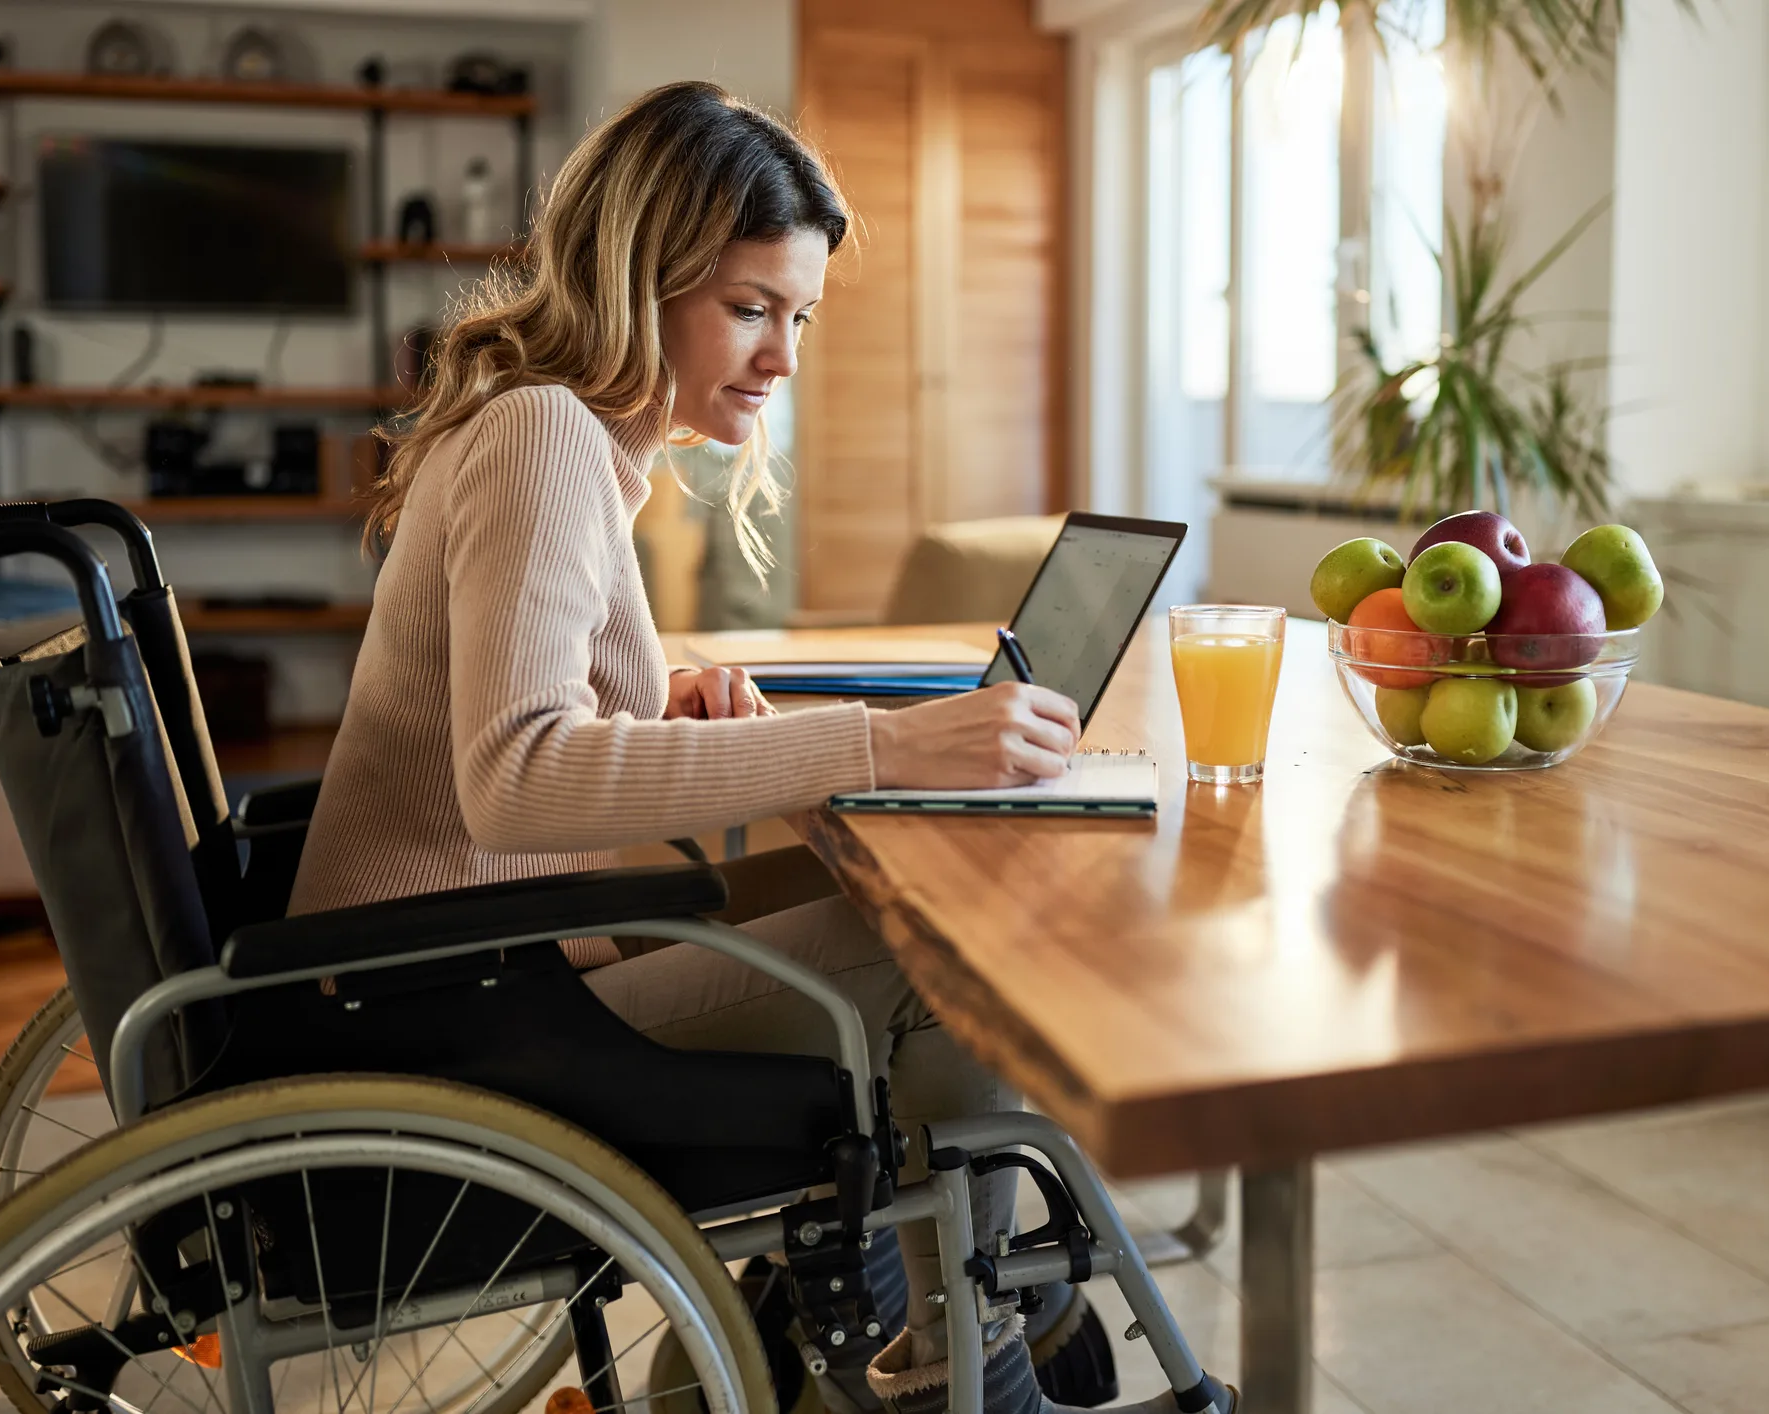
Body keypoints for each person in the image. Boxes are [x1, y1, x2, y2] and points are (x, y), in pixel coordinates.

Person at [288, 82, 1190, 1414]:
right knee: (948, 957)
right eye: (750, 307)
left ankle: (905, 1314)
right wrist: (880, 741)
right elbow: (513, 775)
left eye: (800, 317)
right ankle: (974, 1346)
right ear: (634, 275)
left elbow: (520, 730)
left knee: (904, 916)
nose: (782, 356)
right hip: (450, 1013)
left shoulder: (570, 437)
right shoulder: (544, 435)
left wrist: (664, 715)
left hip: (478, 968)